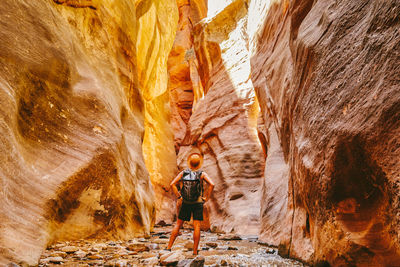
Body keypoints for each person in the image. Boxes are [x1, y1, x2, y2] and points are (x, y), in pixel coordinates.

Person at [166, 153, 214, 255]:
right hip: (197, 203)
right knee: (197, 226)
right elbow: (212, 184)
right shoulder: (202, 174)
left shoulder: (183, 173)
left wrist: (179, 196)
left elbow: (172, 184)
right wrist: (206, 198)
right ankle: (195, 251)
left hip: (185, 202)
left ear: (190, 163)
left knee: (178, 224)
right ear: (199, 164)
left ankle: (169, 247)